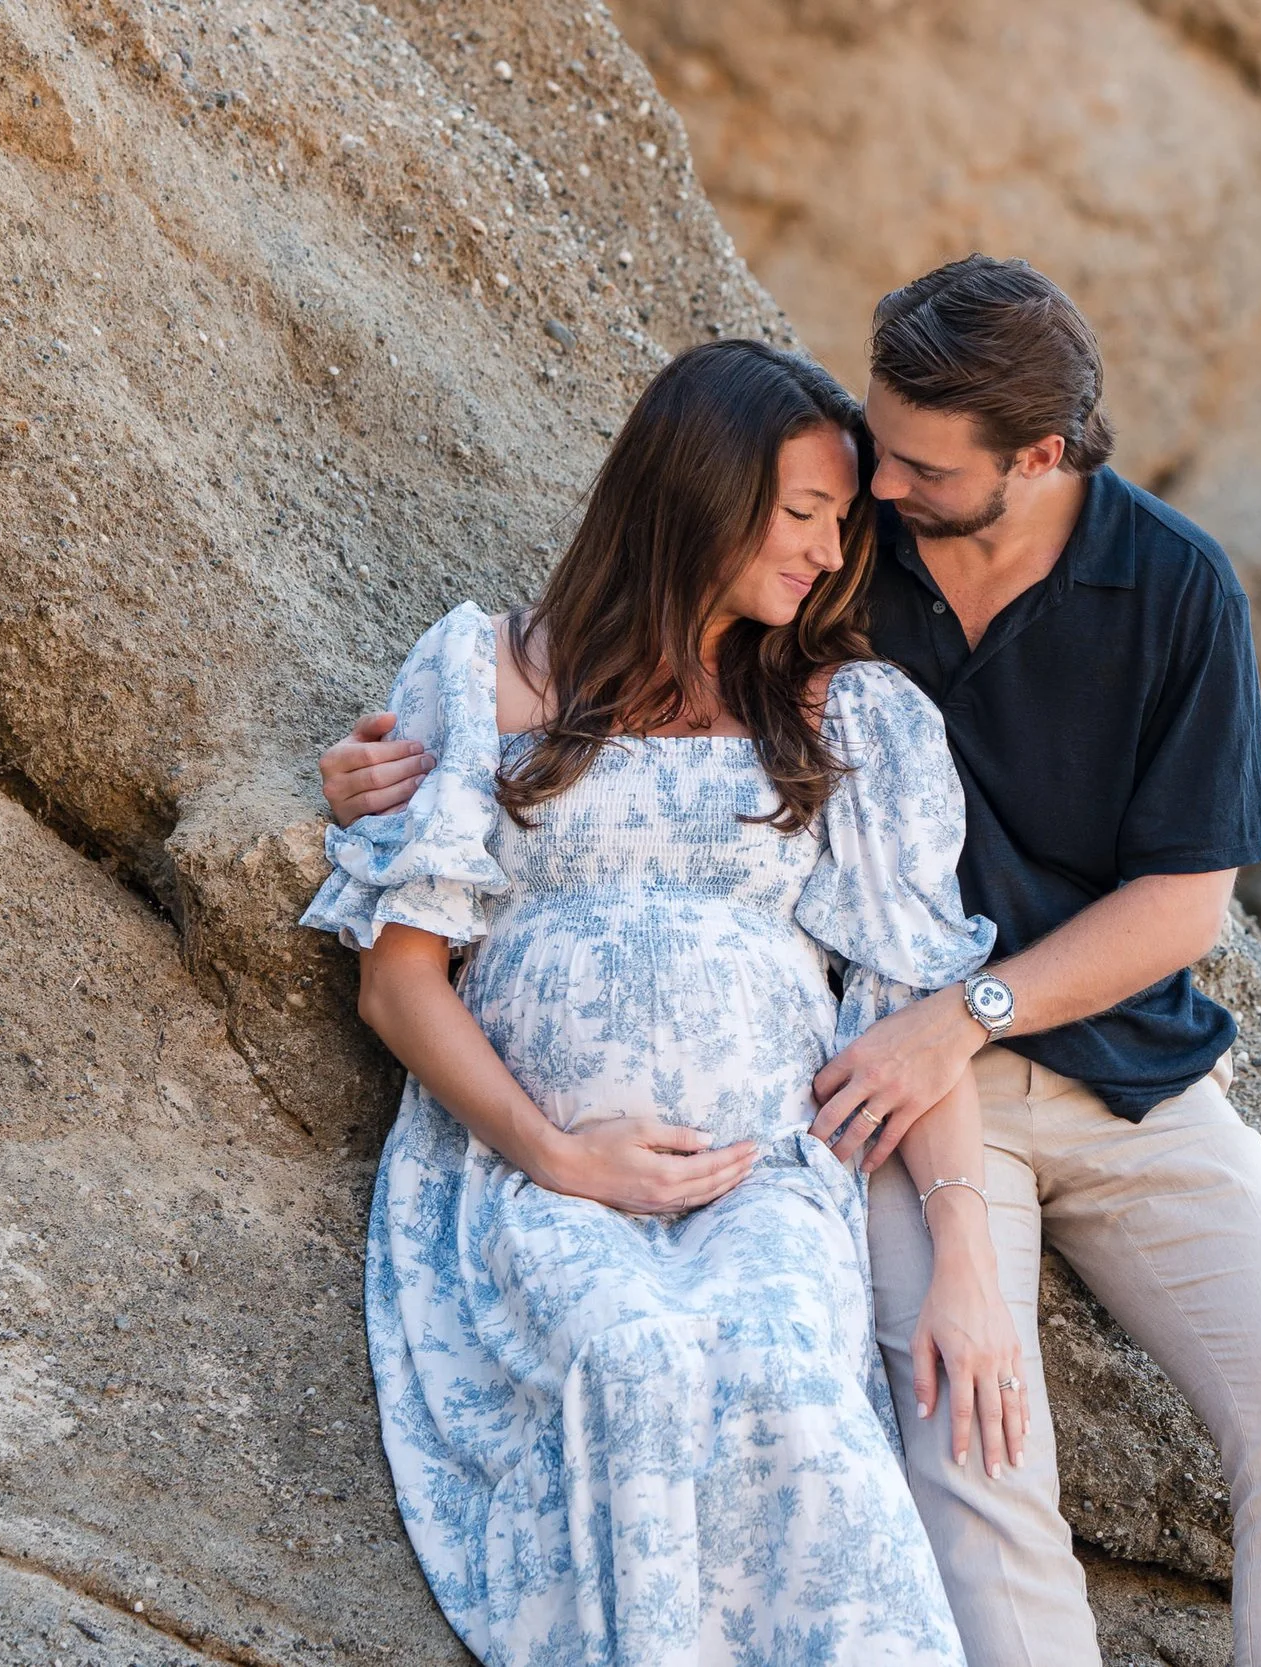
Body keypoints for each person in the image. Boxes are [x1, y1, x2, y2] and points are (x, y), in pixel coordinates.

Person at [321, 257, 1261, 1667]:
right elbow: (633, 631)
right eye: (857, 464)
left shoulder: (1159, 591)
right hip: (874, 1088)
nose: (871, 497)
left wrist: (965, 1021)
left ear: (1037, 458)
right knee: (966, 1439)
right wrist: (375, 781)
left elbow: (1184, 904)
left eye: (915, 467)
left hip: (1093, 1070)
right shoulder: (834, 559)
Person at [301, 339, 1029, 1667]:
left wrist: (966, 1267)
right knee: (632, 1362)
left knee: (788, 1378)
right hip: (537, 1169)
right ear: (698, 488)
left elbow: (905, 1013)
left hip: (764, 1171)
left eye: (840, 526)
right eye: (801, 516)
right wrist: (561, 1154)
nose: (824, 554)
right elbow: (398, 981)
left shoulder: (838, 709)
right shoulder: (488, 673)